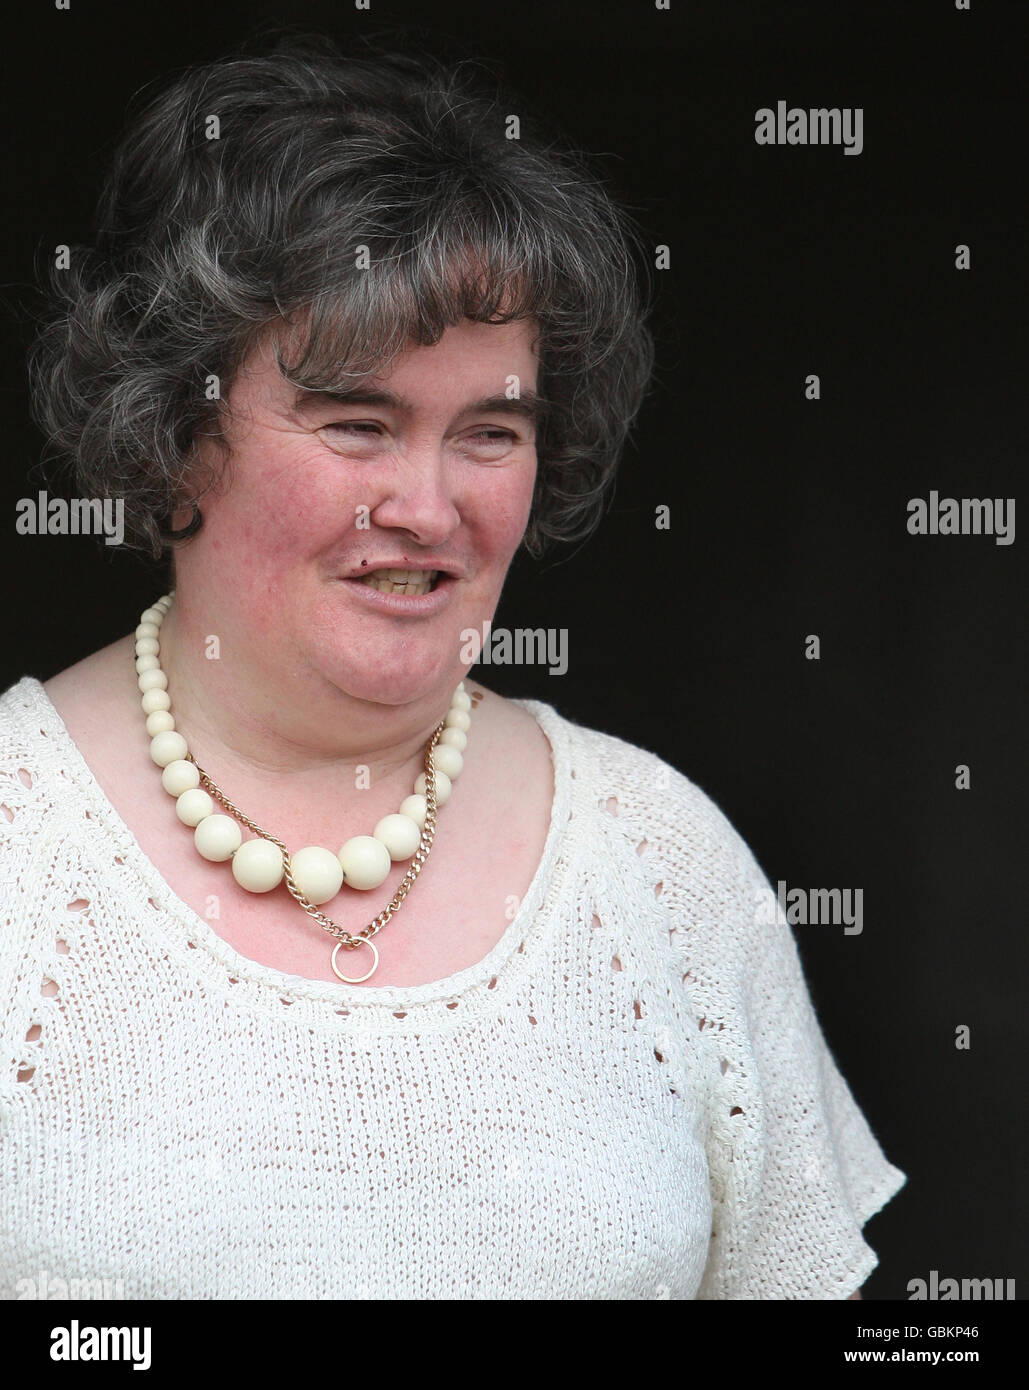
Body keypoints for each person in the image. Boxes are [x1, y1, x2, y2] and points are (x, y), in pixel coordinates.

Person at [0, 34, 904, 1300]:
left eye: (490, 431)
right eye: (359, 423)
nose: (427, 506)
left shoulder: (663, 863)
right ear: (174, 431)